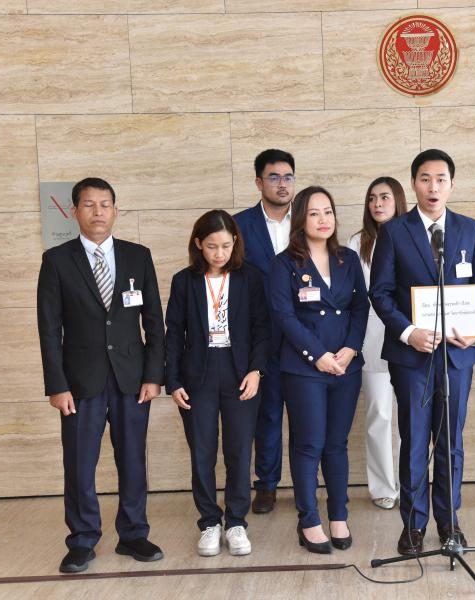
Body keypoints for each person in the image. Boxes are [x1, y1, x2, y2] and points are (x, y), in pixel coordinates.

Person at [370, 149, 475, 555]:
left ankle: (449, 522)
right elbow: (380, 292)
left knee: (450, 442)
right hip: (412, 357)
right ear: (414, 184)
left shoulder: (470, 229)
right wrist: (409, 333)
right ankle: (413, 524)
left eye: (441, 179)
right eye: (425, 179)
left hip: (457, 356)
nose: (433, 187)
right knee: (414, 440)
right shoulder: (394, 232)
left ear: (452, 184)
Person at [37, 177, 165, 573]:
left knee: (133, 459)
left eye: (105, 204)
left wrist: (153, 375)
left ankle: (134, 534)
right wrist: (57, 385)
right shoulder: (57, 260)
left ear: (115, 211)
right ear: (75, 211)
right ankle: (82, 539)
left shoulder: (138, 256)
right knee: (79, 463)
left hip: (132, 379)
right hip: (80, 382)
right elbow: (48, 329)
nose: (98, 212)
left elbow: (154, 321)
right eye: (89, 205)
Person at [269, 186, 369, 554]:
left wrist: (350, 348)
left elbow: (361, 307)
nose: (323, 219)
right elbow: (284, 316)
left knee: (336, 444)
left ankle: (338, 515)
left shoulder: (348, 259)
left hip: (346, 366)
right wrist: (318, 355)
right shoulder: (284, 264)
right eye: (314, 213)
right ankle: (309, 519)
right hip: (304, 368)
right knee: (309, 443)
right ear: (300, 220)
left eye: (328, 212)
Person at [164, 210, 270, 557]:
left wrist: (256, 371)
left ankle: (236, 522)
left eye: (226, 245)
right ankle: (210, 522)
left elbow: (262, 329)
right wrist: (173, 381)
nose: (220, 253)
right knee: (202, 452)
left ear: (235, 243)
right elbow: (173, 334)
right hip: (198, 374)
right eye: (212, 246)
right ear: (198, 244)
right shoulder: (184, 281)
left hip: (240, 373)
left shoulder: (249, 277)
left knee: (239, 451)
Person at [234, 149, 296, 514]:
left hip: (305, 334)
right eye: (274, 177)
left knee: (306, 417)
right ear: (259, 182)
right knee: (268, 415)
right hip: (260, 336)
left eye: (288, 177)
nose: (282, 184)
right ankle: (267, 485)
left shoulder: (308, 220)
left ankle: (306, 484)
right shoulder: (239, 225)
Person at [347, 177, 407, 510]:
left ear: (398, 200)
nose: (377, 204)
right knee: (379, 415)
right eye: (372, 198)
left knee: (411, 419)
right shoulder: (357, 243)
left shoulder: (415, 236)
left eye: (384, 197)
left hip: (411, 339)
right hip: (372, 340)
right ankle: (384, 487)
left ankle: (410, 484)